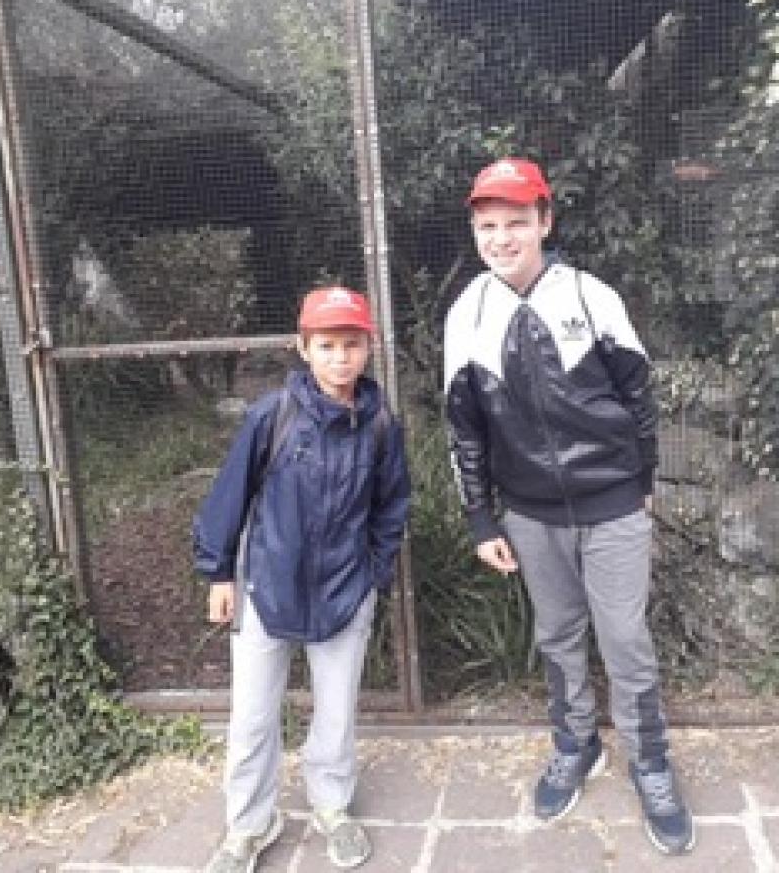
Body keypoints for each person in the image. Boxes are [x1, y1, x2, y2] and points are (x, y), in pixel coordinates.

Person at [443, 157, 694, 856]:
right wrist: (481, 517)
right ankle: (574, 743)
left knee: (624, 637)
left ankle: (649, 760)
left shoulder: (590, 296)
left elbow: (638, 394)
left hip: (612, 504)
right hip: (529, 514)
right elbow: (465, 427)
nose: (502, 238)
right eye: (488, 226)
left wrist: (643, 478)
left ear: (545, 221)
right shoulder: (467, 314)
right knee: (557, 635)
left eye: (516, 222)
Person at [194, 286, 411, 872]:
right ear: (303, 347)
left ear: (369, 347)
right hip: (267, 587)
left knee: (336, 713)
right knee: (252, 719)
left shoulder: (380, 424)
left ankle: (332, 808)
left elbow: (392, 507)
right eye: (327, 345)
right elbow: (229, 496)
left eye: (351, 344)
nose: (340, 358)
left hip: (345, 590)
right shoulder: (274, 416)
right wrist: (219, 572)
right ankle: (249, 826)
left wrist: (373, 574)